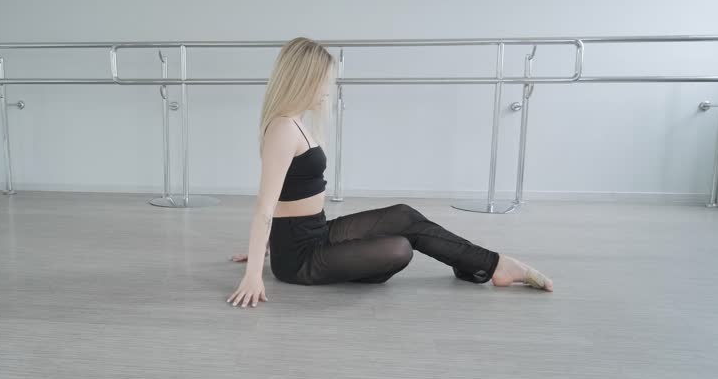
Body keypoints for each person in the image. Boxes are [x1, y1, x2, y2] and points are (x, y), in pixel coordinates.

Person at [229, 37, 552, 308]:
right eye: (324, 82)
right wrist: (255, 272)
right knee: (399, 248)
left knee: (403, 215)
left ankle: (493, 264)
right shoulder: (284, 128)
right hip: (298, 260)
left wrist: (268, 245)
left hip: (316, 232)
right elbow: (265, 207)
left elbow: (291, 192)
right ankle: (486, 264)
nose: (328, 89)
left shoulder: (295, 122)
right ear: (304, 82)